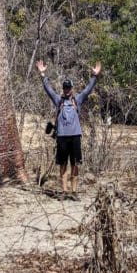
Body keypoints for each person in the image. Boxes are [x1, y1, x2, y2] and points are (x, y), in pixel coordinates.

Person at [35, 59, 101, 199]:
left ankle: (74, 192)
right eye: (64, 88)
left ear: (72, 88)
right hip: (62, 137)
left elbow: (88, 89)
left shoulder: (78, 99)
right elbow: (48, 89)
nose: (66, 90)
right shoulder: (58, 100)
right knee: (63, 164)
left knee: (76, 164)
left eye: (68, 88)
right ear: (63, 89)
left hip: (75, 136)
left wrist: (95, 76)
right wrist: (42, 74)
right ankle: (64, 192)